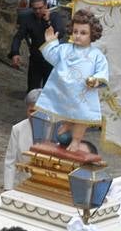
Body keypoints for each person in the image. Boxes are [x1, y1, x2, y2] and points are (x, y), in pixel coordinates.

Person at [35, 9, 108, 152]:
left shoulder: (96, 55)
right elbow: (52, 56)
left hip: (83, 92)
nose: (78, 36)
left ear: (92, 34)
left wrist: (96, 80)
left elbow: (102, 71)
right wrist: (51, 43)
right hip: (63, 90)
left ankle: (75, 141)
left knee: (82, 116)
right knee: (63, 116)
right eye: (75, 32)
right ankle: (68, 122)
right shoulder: (64, 49)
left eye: (83, 33)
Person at [9, 0, 69, 91]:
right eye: (35, 8)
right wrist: (15, 52)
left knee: (49, 92)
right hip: (36, 59)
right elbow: (18, 37)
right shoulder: (28, 19)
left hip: (52, 61)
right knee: (32, 92)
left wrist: (48, 21)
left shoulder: (55, 17)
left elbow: (60, 33)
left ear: (45, 6)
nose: (37, 11)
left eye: (40, 8)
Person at [3, 89, 41, 190]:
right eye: (31, 111)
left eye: (38, 112)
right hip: (24, 184)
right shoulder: (17, 129)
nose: (34, 115)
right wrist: (8, 189)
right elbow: (10, 161)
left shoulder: (54, 130)